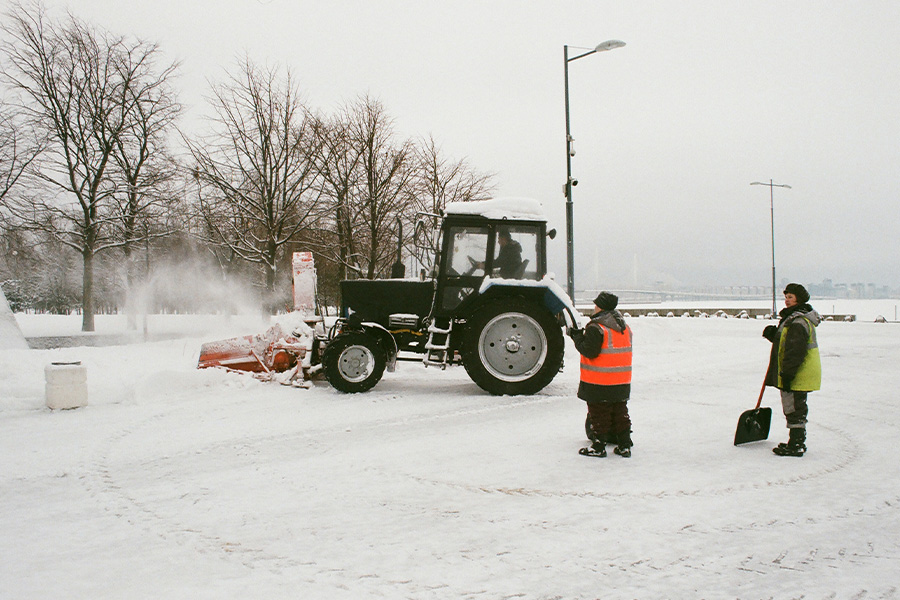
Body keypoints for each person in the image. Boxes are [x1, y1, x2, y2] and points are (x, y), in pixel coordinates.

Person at [568, 291, 634, 458]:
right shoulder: (624, 327)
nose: (594, 307)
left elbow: (589, 351)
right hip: (621, 380)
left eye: (596, 304)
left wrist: (577, 337)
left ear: (601, 307)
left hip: (599, 380)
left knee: (599, 413)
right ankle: (624, 445)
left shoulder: (597, 327)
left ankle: (598, 446)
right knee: (620, 412)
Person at [762, 283, 822, 457]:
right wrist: (774, 335)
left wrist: (788, 374)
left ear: (799, 299)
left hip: (797, 372)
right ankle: (796, 441)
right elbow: (787, 343)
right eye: (786, 297)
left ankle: (796, 444)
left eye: (791, 297)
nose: (787, 301)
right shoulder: (794, 319)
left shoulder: (797, 322)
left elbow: (795, 351)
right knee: (796, 406)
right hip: (798, 371)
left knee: (794, 407)